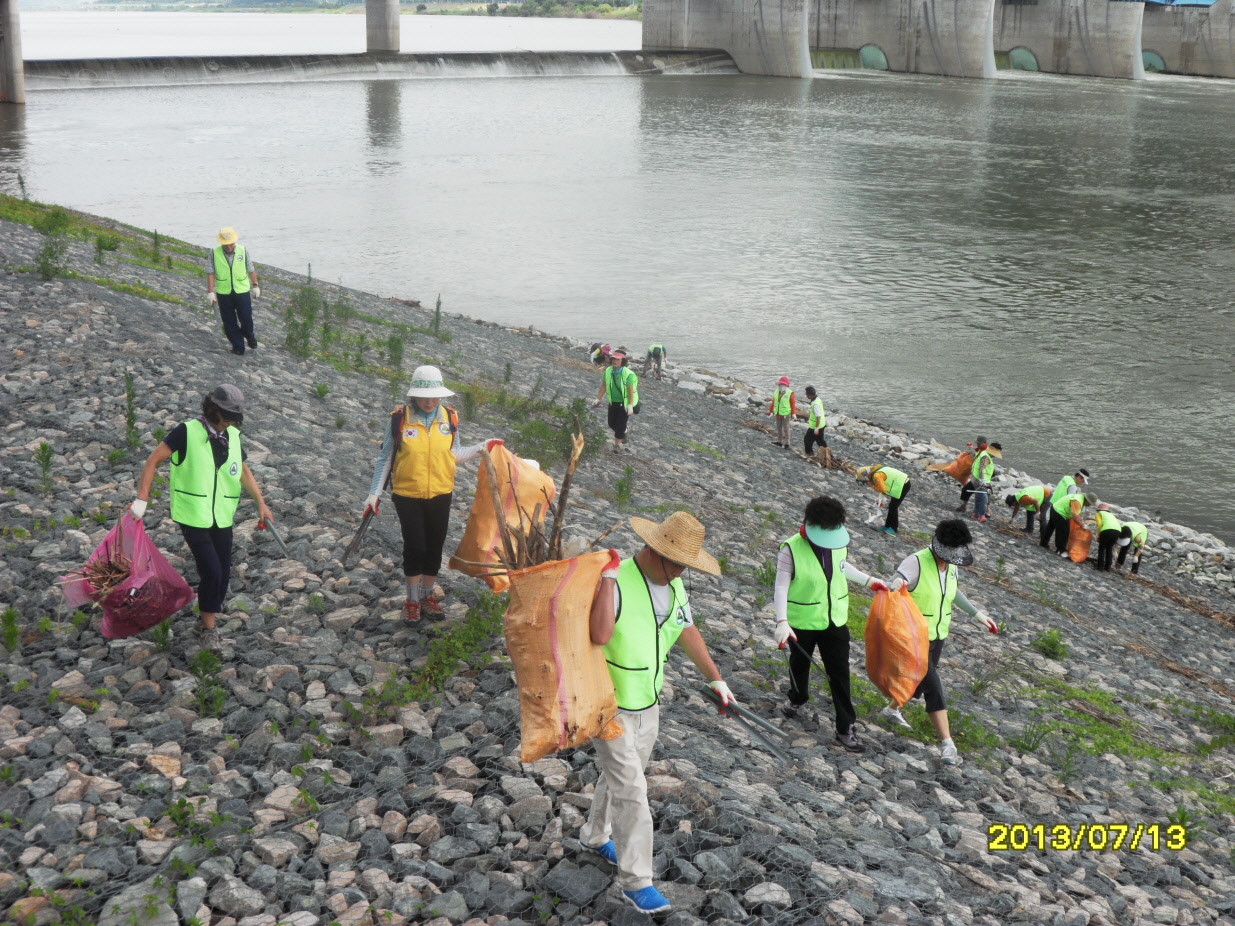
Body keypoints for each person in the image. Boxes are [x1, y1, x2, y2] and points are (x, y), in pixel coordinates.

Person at [580, 512, 734, 915]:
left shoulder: (675, 584)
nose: (682, 571)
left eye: (687, 565)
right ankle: (637, 882)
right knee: (633, 791)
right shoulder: (616, 580)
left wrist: (716, 679)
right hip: (609, 705)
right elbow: (599, 634)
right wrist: (607, 580)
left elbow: (685, 629)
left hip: (648, 703)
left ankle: (595, 836)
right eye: (678, 563)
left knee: (620, 776)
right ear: (655, 550)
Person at [130, 385, 274, 651]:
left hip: (222, 515)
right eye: (226, 416)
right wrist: (141, 499)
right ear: (212, 409)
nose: (230, 421)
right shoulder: (187, 432)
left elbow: (243, 471)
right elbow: (152, 461)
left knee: (224, 573)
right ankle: (208, 628)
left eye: (234, 417)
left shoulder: (233, 436)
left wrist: (261, 504)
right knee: (212, 571)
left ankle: (204, 619)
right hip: (192, 514)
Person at [365, 365, 497, 623]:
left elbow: (454, 454)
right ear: (414, 395)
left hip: (440, 492)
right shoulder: (399, 419)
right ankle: (412, 600)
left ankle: (428, 596)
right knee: (415, 546)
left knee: (435, 546)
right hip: (407, 494)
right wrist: (374, 494)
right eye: (424, 397)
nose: (429, 402)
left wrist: (484, 447)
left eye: (434, 397)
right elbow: (386, 458)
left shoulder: (450, 417)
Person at [773, 497, 888, 752]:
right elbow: (781, 586)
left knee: (839, 673)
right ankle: (797, 699)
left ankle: (845, 728)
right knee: (799, 664)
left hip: (834, 620)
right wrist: (782, 621)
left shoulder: (837, 542)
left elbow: (842, 566)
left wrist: (869, 580)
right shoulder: (790, 549)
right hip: (802, 621)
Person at [883, 520, 998, 765]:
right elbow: (890, 585)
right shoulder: (915, 562)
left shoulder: (951, 565)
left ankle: (891, 709)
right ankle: (948, 744)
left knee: (917, 684)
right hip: (912, 636)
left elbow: (952, 591)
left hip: (937, 634)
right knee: (933, 685)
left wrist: (979, 615)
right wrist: (896, 585)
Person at [206, 227, 260, 357]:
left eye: (231, 243)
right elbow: (210, 272)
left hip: (242, 291)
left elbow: (250, 269)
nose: (229, 246)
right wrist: (210, 292)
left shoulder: (243, 250)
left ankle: (249, 335)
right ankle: (238, 347)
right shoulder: (214, 253)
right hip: (224, 292)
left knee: (246, 318)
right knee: (229, 322)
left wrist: (255, 285)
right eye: (226, 244)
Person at [593, 348, 639, 454]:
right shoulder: (608, 371)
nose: (615, 361)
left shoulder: (628, 374)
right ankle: (625, 431)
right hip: (612, 402)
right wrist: (597, 398)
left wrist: (630, 405)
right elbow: (603, 386)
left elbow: (630, 391)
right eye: (614, 359)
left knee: (620, 425)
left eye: (618, 360)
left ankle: (617, 445)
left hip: (624, 403)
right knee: (611, 424)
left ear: (622, 361)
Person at [1041, 470, 1091, 554]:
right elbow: (1071, 499)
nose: (1082, 482)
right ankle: (1061, 549)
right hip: (1061, 508)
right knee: (1062, 530)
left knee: (1051, 525)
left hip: (1054, 503)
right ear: (1079, 477)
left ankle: (1043, 542)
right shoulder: (1073, 487)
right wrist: (1080, 522)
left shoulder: (1066, 478)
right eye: (1082, 480)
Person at [857, 463, 911, 535]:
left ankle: (894, 529)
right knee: (891, 506)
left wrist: (872, 486)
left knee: (893, 507)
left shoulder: (876, 476)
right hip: (900, 483)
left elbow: (882, 488)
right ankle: (887, 526)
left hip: (903, 484)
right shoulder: (876, 470)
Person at [957, 437, 1000, 522]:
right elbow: (981, 469)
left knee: (979, 497)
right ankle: (981, 515)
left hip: (978, 479)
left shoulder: (983, 453)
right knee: (983, 498)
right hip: (980, 480)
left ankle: (976, 514)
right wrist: (982, 480)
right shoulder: (986, 457)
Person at [803, 386, 830, 467]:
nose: (806, 395)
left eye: (806, 394)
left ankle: (810, 453)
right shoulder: (817, 399)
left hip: (816, 426)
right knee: (820, 441)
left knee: (808, 440)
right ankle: (827, 455)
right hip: (820, 424)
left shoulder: (815, 404)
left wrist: (816, 428)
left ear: (810, 394)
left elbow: (818, 416)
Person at [767, 376, 796, 448]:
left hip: (786, 414)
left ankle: (787, 443)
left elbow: (793, 404)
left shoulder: (790, 393)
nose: (780, 386)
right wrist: (770, 410)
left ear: (786, 385)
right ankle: (779, 441)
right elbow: (773, 402)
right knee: (779, 428)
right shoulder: (776, 392)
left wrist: (793, 414)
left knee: (786, 428)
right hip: (777, 413)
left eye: (782, 385)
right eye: (780, 385)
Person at [1094, 503, 1123, 571]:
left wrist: (1099, 535)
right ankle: (1108, 567)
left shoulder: (1099, 514)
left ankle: (1100, 566)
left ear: (1098, 510)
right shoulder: (1111, 515)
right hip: (1118, 531)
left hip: (1106, 530)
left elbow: (1099, 525)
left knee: (1101, 548)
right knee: (1109, 548)